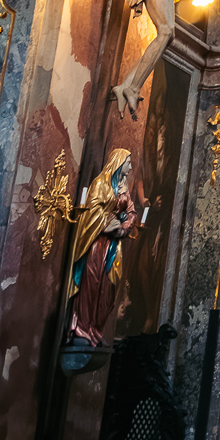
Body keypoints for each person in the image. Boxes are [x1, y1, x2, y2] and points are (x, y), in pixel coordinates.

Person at [66, 146, 138, 347]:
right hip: (96, 244)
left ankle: (95, 330)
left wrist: (124, 227)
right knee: (91, 283)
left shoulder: (123, 187)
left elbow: (131, 212)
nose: (131, 167)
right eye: (128, 163)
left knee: (107, 288)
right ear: (119, 163)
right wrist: (108, 221)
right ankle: (82, 328)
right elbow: (92, 212)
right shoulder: (101, 183)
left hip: (113, 246)